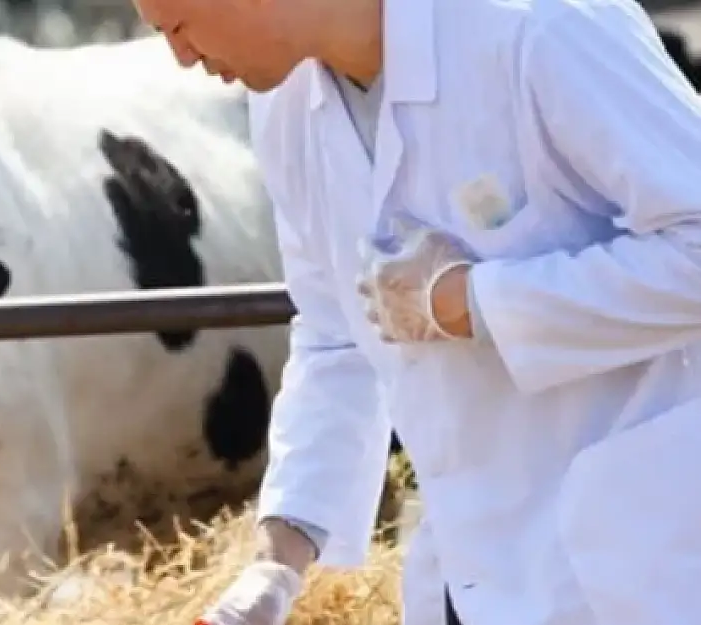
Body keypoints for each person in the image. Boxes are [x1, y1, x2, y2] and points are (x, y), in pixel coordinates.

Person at [128, 0, 701, 623]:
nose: (179, 57)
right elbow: (337, 333)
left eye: (179, 25)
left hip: (645, 567)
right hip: (470, 575)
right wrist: (278, 562)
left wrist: (476, 301)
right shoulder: (287, 105)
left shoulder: (542, 27)